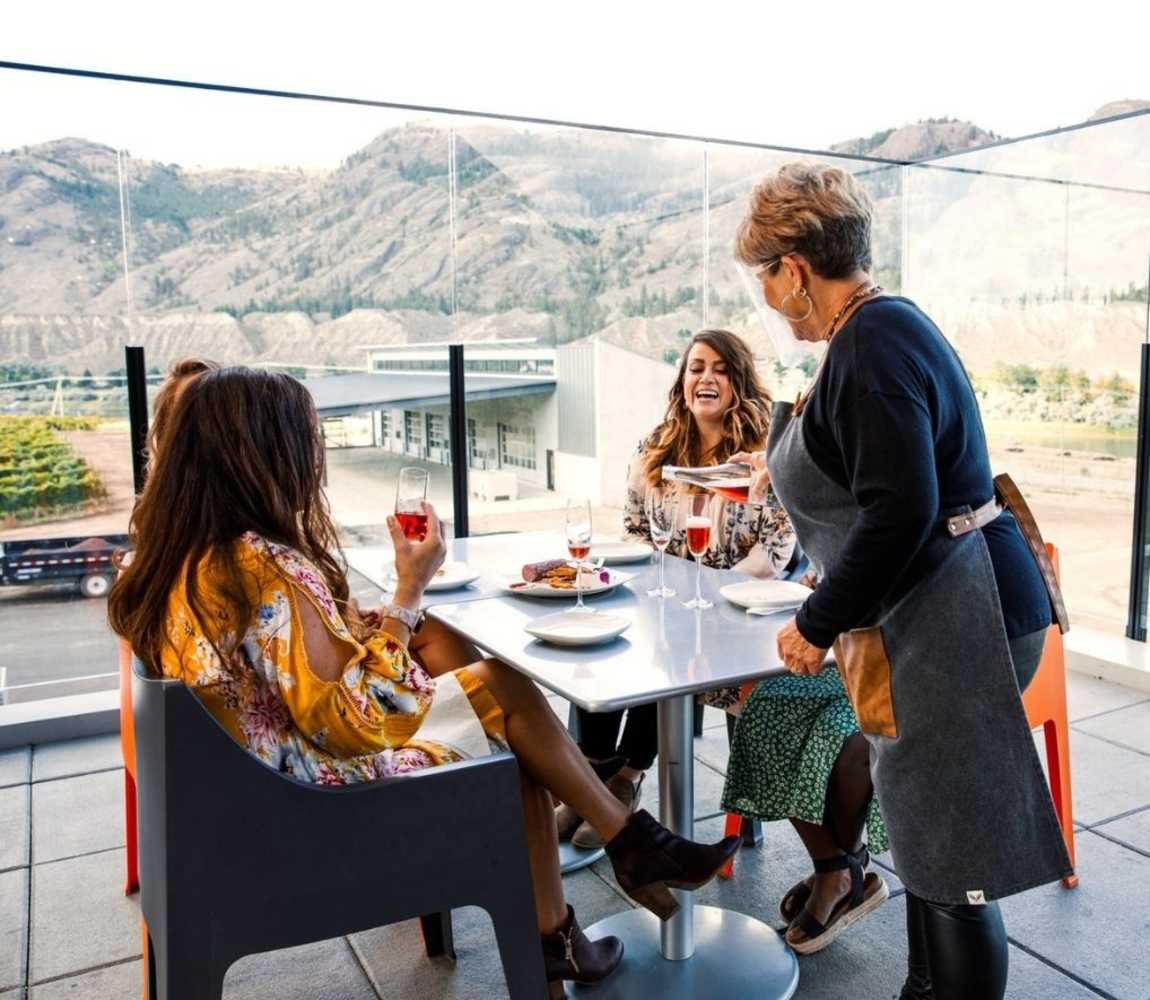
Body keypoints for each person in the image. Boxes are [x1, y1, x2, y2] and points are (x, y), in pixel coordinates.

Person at [107, 363, 741, 998]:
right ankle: (617, 852)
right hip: (307, 803)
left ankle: (591, 884)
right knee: (504, 712)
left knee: (482, 688)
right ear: (262, 453)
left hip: (239, 785)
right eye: (308, 438)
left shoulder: (187, 556)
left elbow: (278, 666)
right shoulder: (263, 565)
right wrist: (408, 593)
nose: (317, 454)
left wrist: (379, 622)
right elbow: (358, 720)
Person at [732, 163, 1071, 999]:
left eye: (766, 277)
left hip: (963, 620)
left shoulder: (874, 346)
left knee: (954, 865)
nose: (768, 298)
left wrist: (815, 621)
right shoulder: (879, 330)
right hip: (944, 614)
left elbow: (901, 511)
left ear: (796, 268)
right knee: (927, 844)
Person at [557, 328, 797, 849]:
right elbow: (635, 529)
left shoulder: (763, 455)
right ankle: (596, 773)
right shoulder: (657, 445)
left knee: (667, 645)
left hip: (735, 614)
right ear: (682, 380)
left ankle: (624, 777)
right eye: (696, 368)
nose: (705, 378)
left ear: (738, 380)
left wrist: (715, 593)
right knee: (605, 637)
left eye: (719, 368)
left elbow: (777, 549)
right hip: (666, 600)